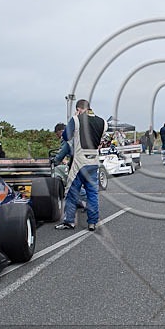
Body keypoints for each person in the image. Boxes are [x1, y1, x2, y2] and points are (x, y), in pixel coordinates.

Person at [56, 99, 107, 231]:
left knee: (72, 192)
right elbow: (101, 138)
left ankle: (69, 221)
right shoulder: (103, 122)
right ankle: (92, 222)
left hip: (80, 161)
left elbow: (66, 137)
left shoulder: (76, 119)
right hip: (94, 161)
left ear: (79, 109)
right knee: (92, 193)